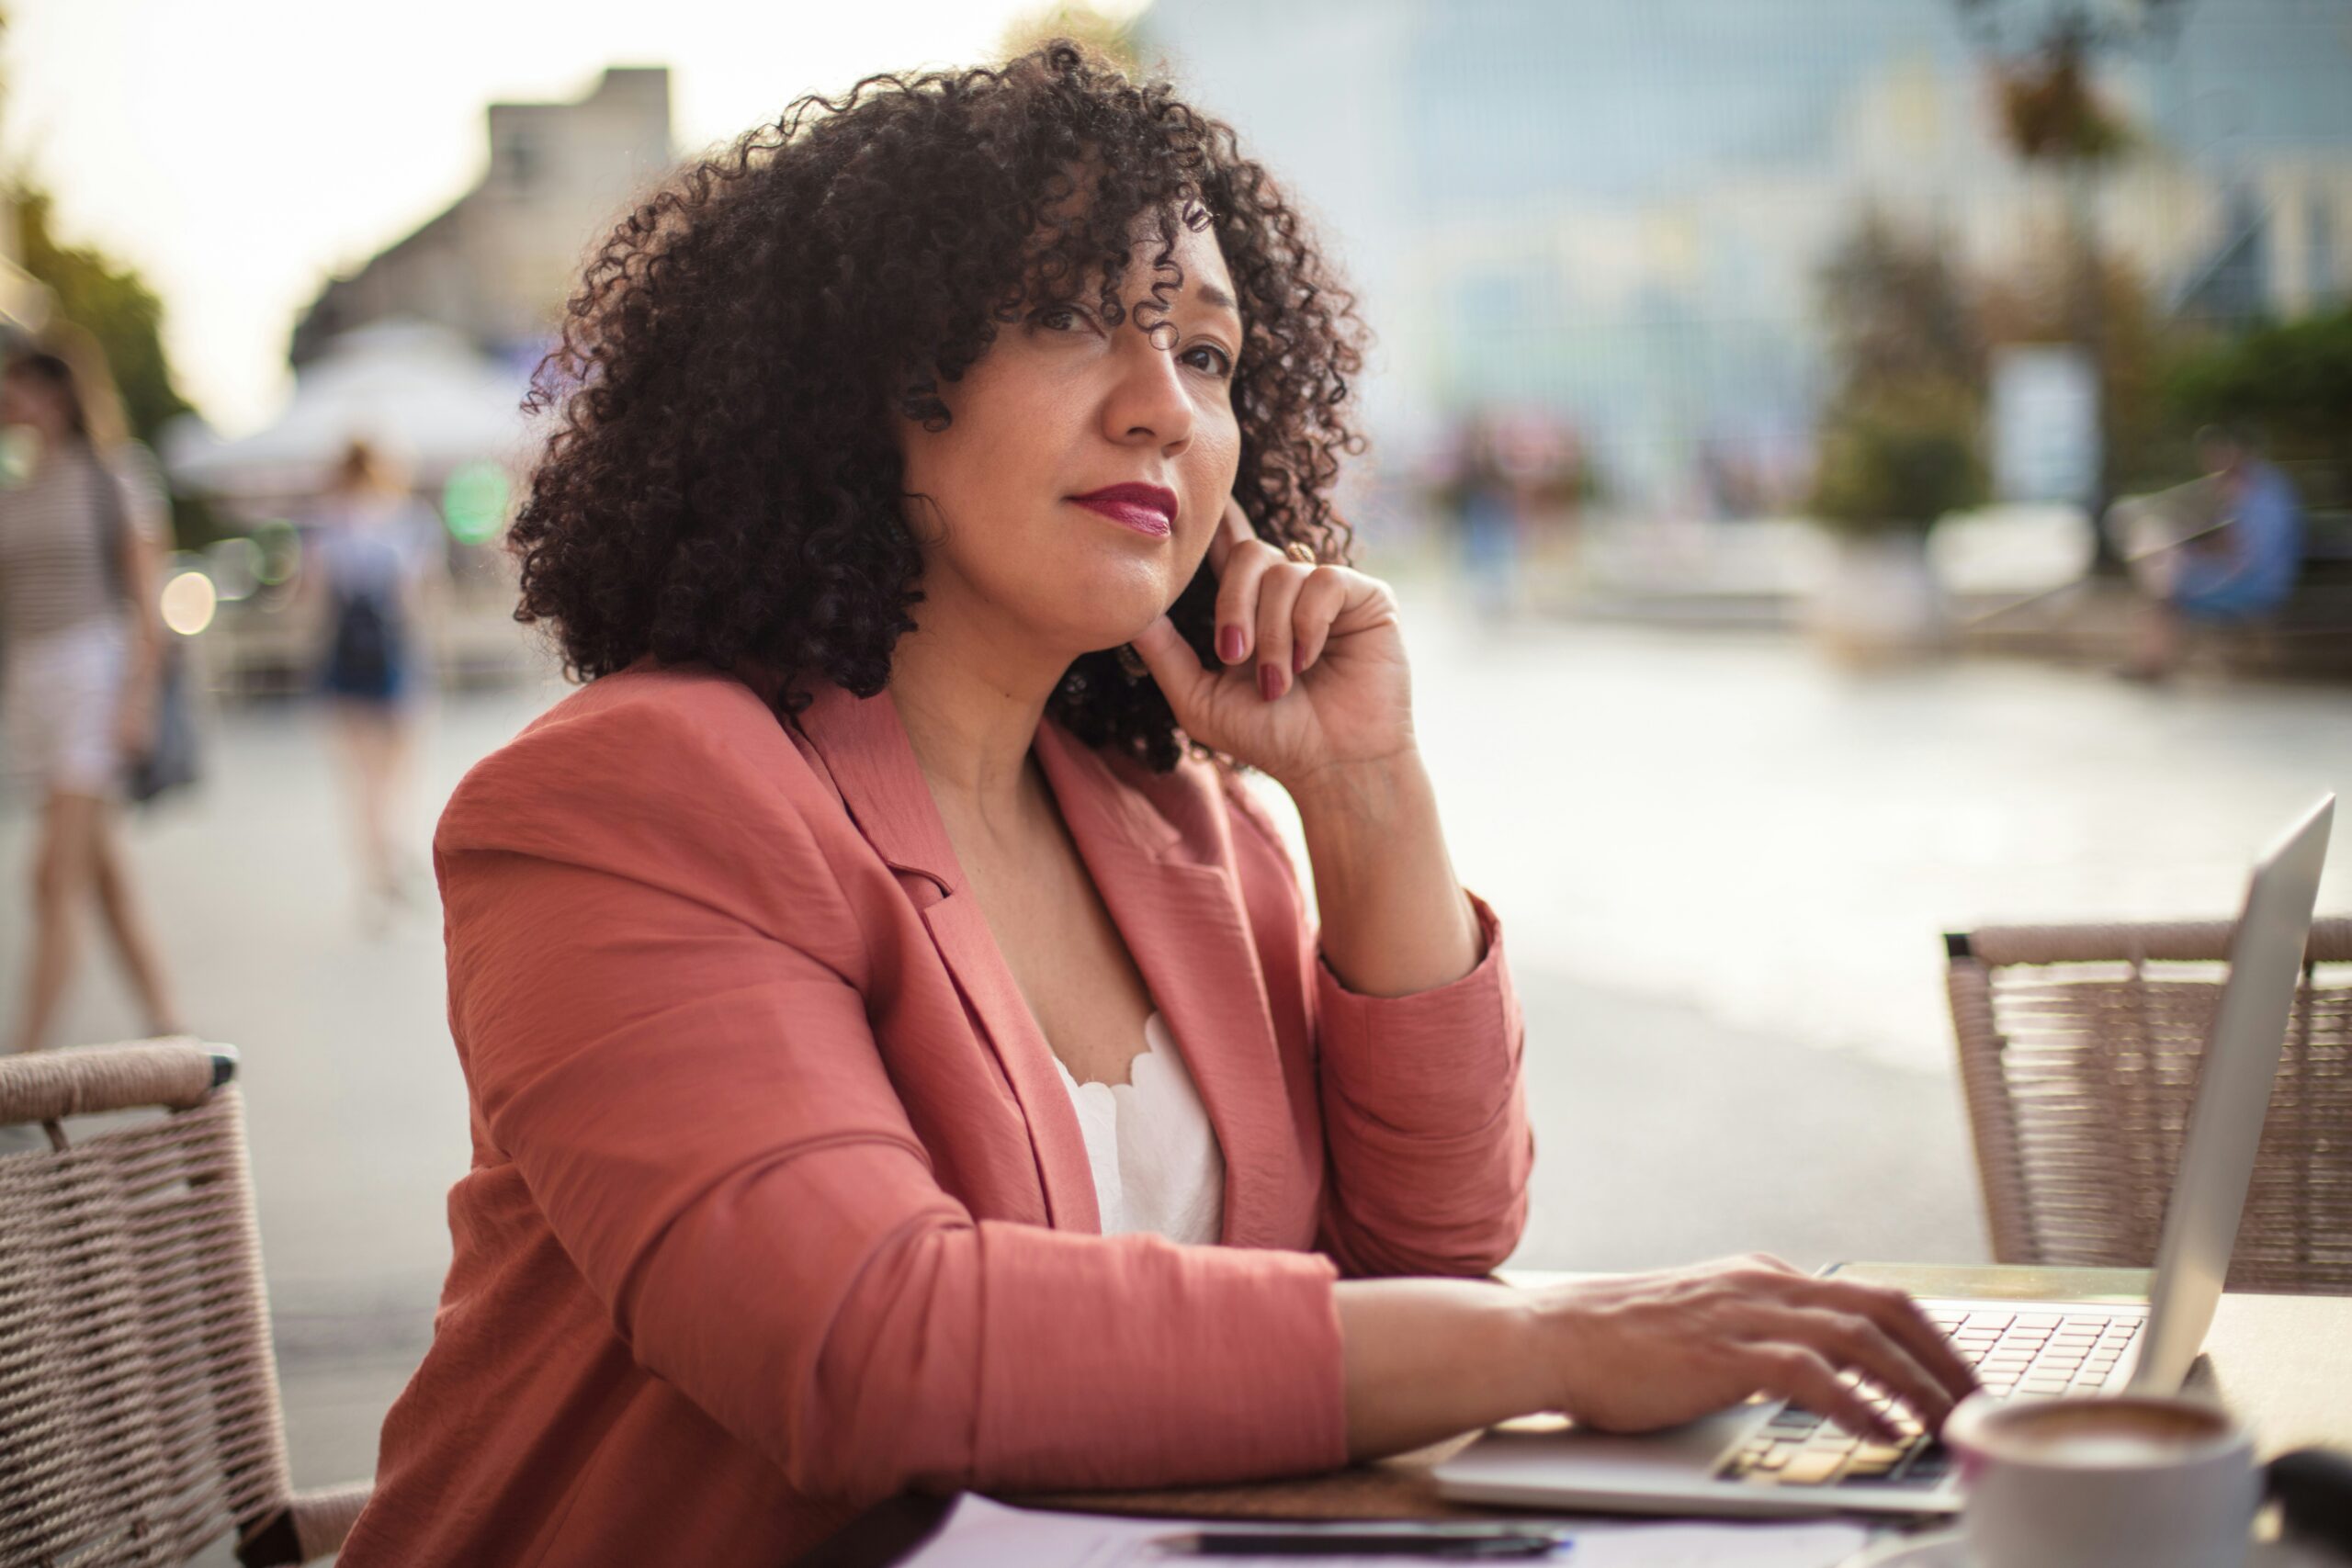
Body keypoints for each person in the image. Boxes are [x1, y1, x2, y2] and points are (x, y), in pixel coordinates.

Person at [336, 44, 1975, 1567]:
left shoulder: (1175, 826)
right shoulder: (631, 797)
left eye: (1206, 351)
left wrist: (1367, 798)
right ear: (857, 377)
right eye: (1069, 315)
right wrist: (1563, 1342)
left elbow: (1429, 1254)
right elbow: (858, 1345)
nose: (1163, 407)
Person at [0, 342, 184, 1054]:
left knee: (52, 876)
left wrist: (135, 700)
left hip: (93, 674)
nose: (17, 404)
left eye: (28, 389)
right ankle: (169, 1026)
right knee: (101, 874)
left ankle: (24, 1062)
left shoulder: (113, 476)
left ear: (63, 395)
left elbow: (147, 600)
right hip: (33, 681)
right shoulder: (15, 480)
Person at [302, 437, 437, 924]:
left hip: (343, 664)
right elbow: (413, 603)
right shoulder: (407, 522)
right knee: (395, 777)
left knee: (360, 784)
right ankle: (391, 861)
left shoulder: (326, 528)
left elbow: (314, 602)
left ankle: (377, 876)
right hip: (394, 661)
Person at [2120, 423, 2304, 680]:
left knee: (2165, 596)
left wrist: (2192, 553)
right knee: (2164, 588)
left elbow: (2244, 554)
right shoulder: (2266, 484)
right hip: (2264, 578)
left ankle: (2151, 665)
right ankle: (2151, 662)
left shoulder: (2254, 490)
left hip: (2257, 583)